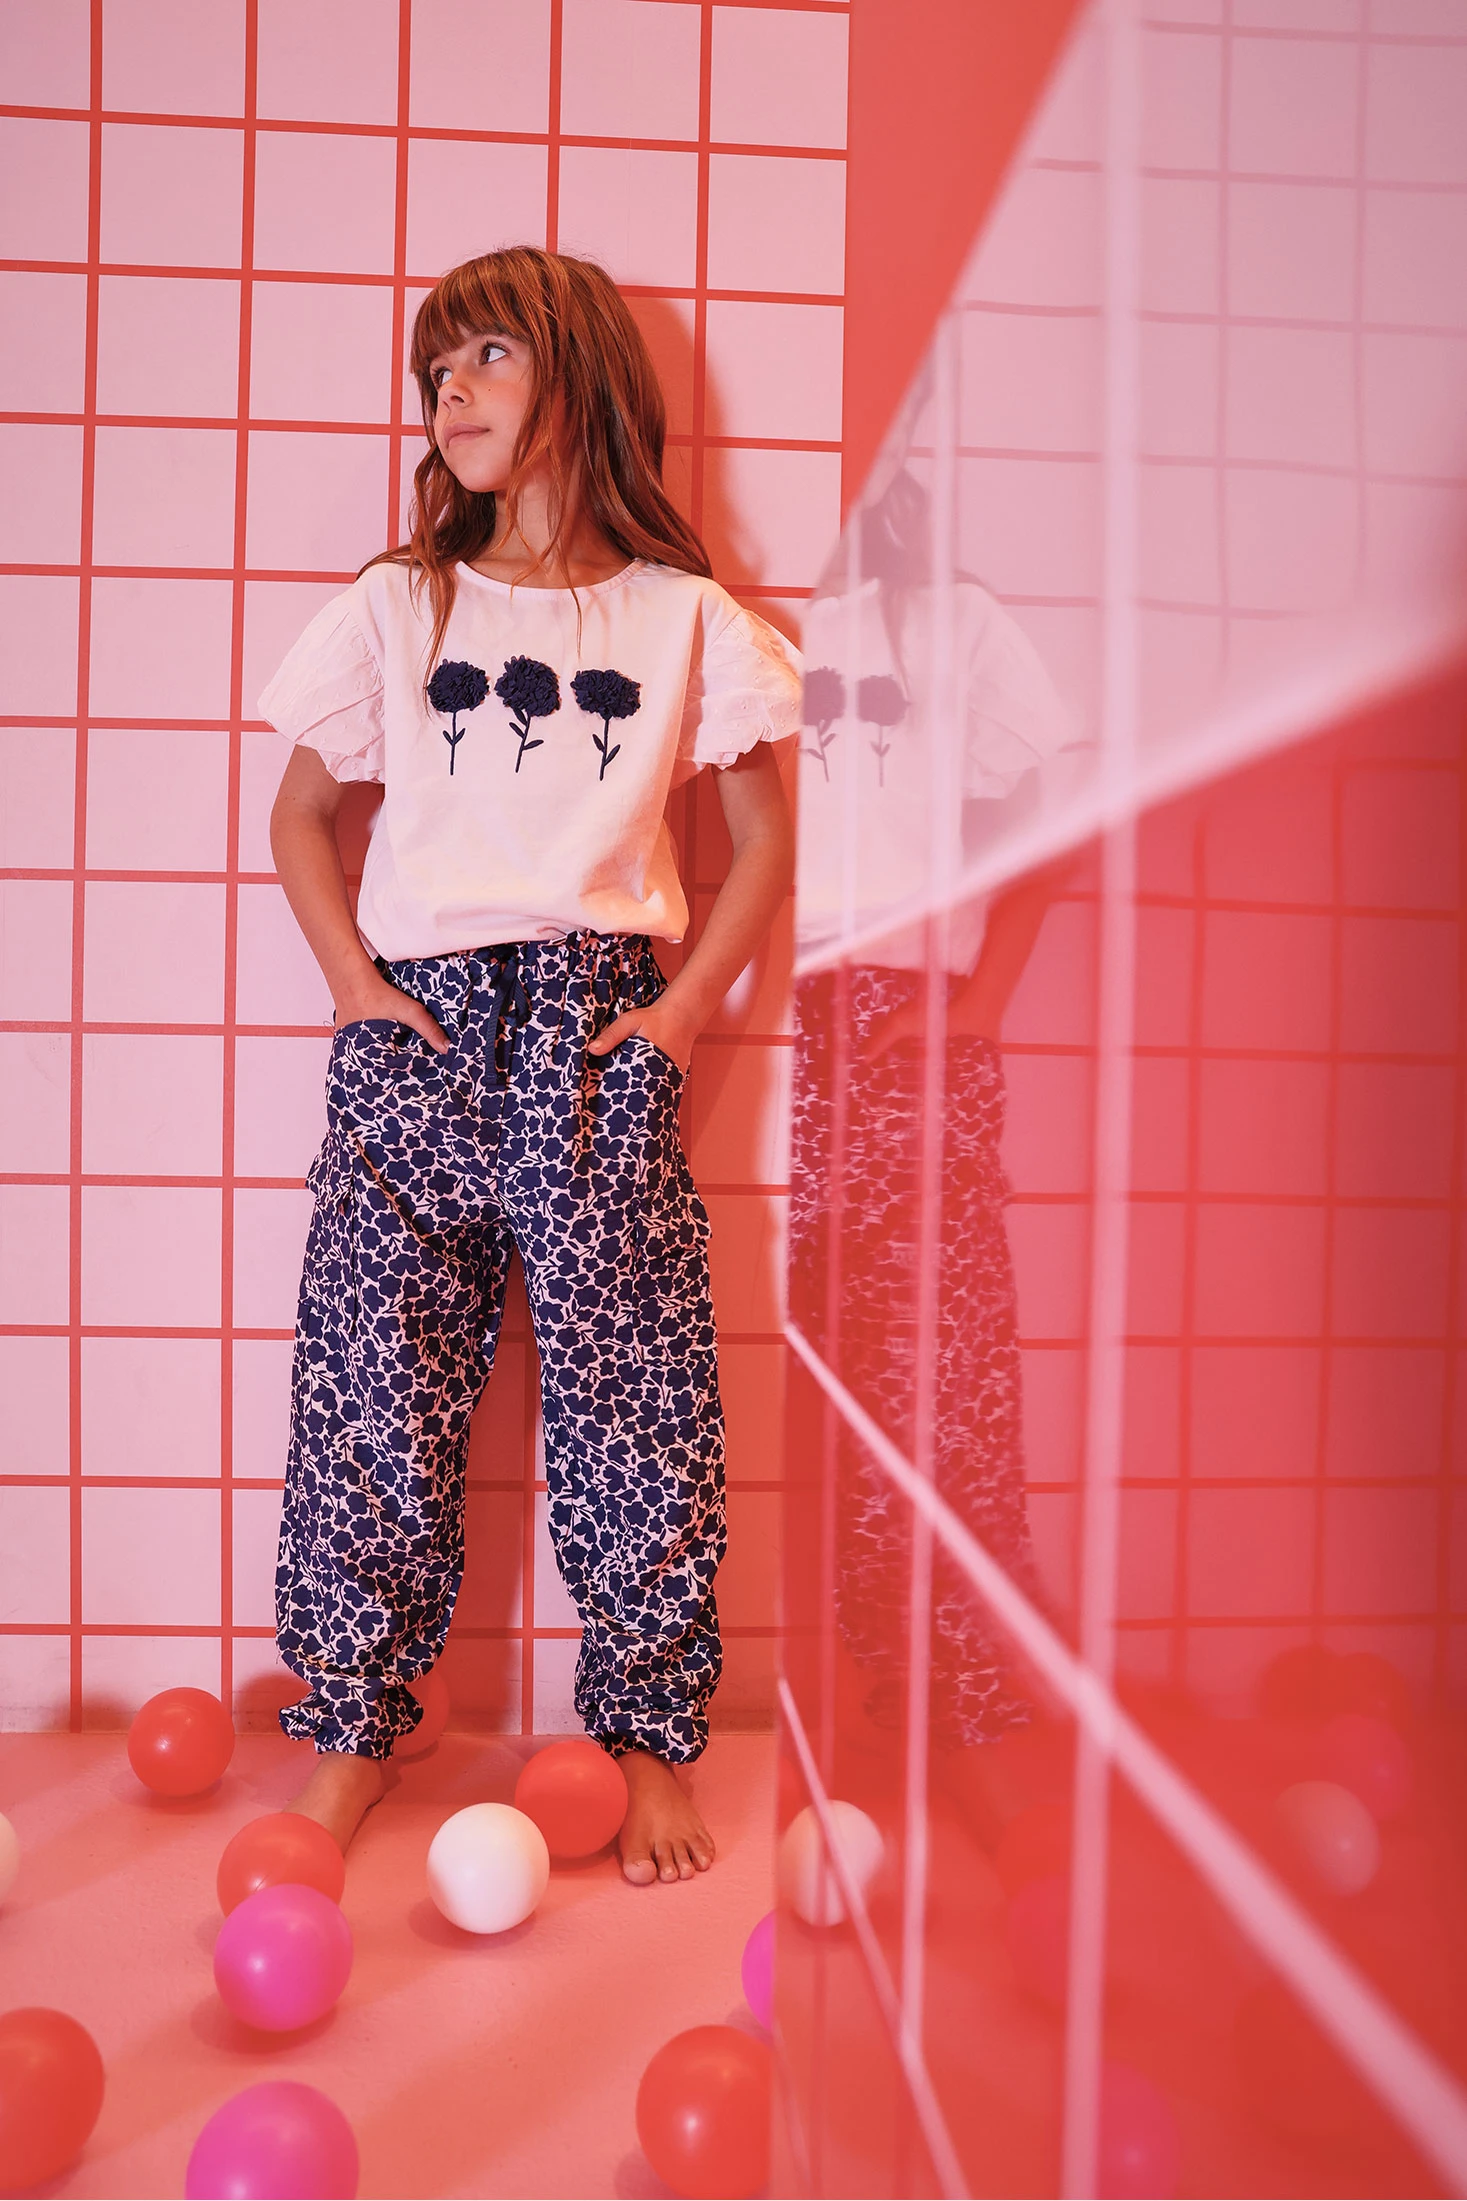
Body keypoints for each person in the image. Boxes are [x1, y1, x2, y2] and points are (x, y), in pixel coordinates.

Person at [258, 247, 800, 1885]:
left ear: (580, 377)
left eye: (487, 354)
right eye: (437, 367)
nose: (451, 389)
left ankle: (646, 1736)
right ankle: (352, 1731)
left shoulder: (682, 617)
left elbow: (763, 841)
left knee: (635, 1392)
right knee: (371, 1384)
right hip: (414, 1027)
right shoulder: (399, 602)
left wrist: (680, 1014)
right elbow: (302, 815)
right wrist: (354, 989)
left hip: (593, 1023)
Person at [789, 448, 1084, 1839]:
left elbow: (1051, 823)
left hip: (910, 1018)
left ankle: (958, 1700)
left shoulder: (955, 621)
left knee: (937, 1374)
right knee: (803, 1375)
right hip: (780, 1016)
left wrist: (977, 1002)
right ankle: (844, 1688)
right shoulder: (756, 613)